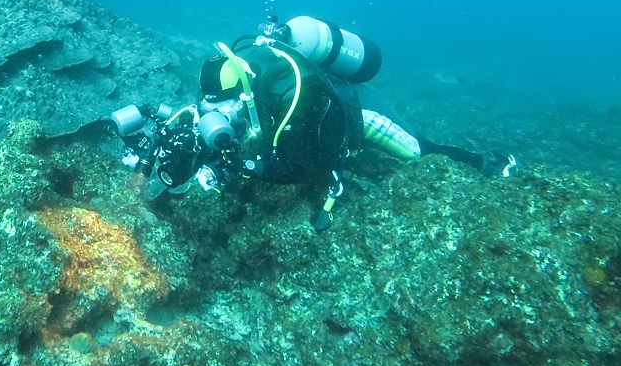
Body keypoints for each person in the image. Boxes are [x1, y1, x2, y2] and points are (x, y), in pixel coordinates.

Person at [110, 16, 518, 231]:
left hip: (354, 109)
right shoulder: (236, 91)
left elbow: (311, 166)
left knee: (417, 152)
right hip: (291, 107)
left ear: (246, 92)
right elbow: (190, 121)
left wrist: (250, 168)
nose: (221, 111)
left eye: (229, 104)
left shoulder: (291, 102)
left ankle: (486, 162)